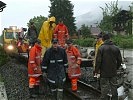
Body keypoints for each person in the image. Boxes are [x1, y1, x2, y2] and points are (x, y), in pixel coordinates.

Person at [94, 34, 122, 100]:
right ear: (110, 39)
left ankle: (104, 99)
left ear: (103, 39)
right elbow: (120, 60)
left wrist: (96, 70)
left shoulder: (101, 48)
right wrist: (116, 68)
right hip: (113, 72)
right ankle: (115, 99)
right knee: (114, 87)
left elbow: (98, 61)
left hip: (104, 72)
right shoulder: (116, 48)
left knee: (104, 87)